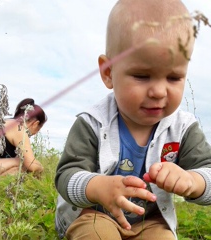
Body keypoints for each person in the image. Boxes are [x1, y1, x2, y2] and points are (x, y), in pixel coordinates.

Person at [54, 0, 211, 239]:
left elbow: (208, 171)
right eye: (141, 75)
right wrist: (98, 187)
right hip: (96, 215)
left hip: (150, 222)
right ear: (108, 73)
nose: (159, 91)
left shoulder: (183, 129)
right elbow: (66, 175)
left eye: (173, 77)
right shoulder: (92, 123)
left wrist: (192, 180)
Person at [0, 98, 47, 176]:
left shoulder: (7, 123)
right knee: (21, 162)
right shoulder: (18, 128)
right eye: (38, 129)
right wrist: (41, 168)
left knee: (17, 170)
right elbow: (32, 165)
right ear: (35, 124)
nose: (35, 134)